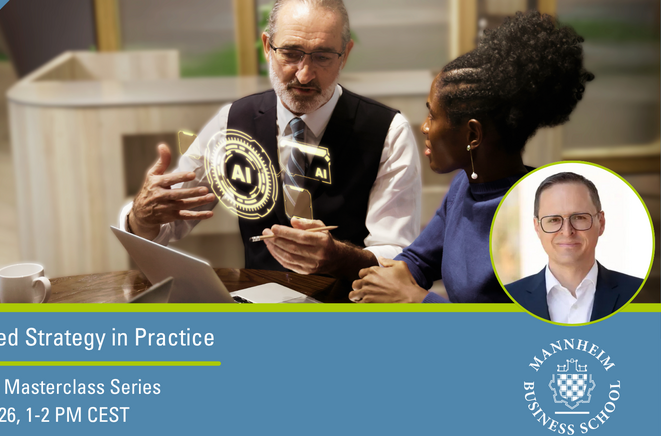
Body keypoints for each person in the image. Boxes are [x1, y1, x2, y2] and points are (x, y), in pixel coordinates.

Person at [119, 0, 422, 279]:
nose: (304, 75)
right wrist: (140, 218)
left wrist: (339, 258)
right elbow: (167, 223)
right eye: (290, 53)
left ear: (345, 55)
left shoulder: (388, 132)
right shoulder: (232, 122)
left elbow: (396, 253)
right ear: (267, 46)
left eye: (322, 57)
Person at [350, 11, 594, 303]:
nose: (424, 127)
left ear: (472, 135)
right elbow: (418, 261)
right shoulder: (463, 186)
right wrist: (368, 271)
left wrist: (417, 299)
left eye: (432, 115)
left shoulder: (540, 215)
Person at [505, 172, 643, 322]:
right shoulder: (504, 300)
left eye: (579, 218)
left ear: (601, 223)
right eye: (554, 220)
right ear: (537, 227)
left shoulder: (643, 294)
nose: (567, 231)